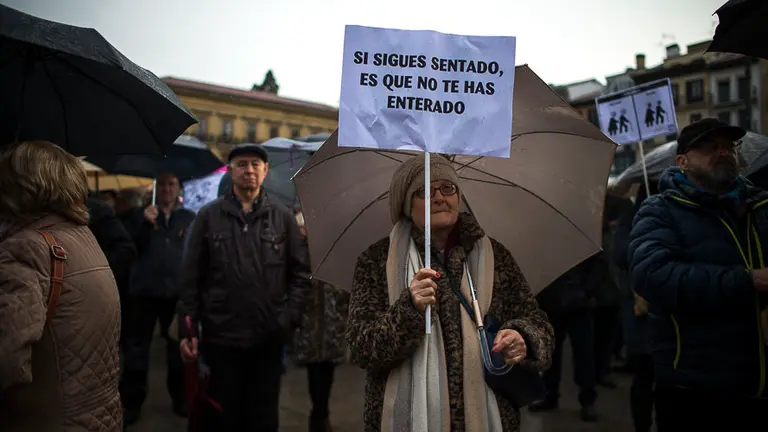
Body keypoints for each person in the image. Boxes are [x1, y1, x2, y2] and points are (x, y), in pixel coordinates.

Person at [346, 154, 554, 432]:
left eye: (448, 188)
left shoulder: (495, 255)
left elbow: (537, 323)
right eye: (425, 191)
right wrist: (409, 309)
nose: (439, 198)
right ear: (406, 204)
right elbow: (361, 347)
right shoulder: (375, 261)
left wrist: (521, 336)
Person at [629, 118, 768, 431]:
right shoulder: (660, 211)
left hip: (759, 382)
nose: (722, 152)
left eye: (728, 146)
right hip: (695, 390)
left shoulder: (760, 206)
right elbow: (652, 275)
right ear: (683, 161)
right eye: (709, 147)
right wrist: (748, 280)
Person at [177, 143, 311, 431]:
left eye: (254, 164)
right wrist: (187, 330)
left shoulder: (283, 218)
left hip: (268, 338)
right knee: (224, 415)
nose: (248, 170)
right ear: (231, 171)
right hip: (221, 338)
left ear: (265, 171)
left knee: (262, 416)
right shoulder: (208, 216)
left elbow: (301, 275)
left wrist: (287, 318)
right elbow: (191, 278)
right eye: (241, 164)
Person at [0, 141, 122, 431]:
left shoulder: (26, 247)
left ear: (23, 187)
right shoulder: (83, 237)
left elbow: (5, 360)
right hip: (97, 416)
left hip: (47, 419)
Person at [121, 172, 195, 424]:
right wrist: (144, 223)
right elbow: (129, 246)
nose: (166, 189)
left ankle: (180, 399)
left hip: (175, 294)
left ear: (178, 189)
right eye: (161, 184)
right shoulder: (139, 216)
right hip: (143, 292)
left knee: (177, 350)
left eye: (171, 184)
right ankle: (131, 403)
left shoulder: (188, 218)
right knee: (136, 349)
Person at [290, 210, 350, 432]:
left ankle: (321, 413)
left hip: (333, 319)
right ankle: (319, 415)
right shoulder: (299, 250)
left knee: (328, 368)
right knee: (315, 369)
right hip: (310, 320)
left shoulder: (335, 248)